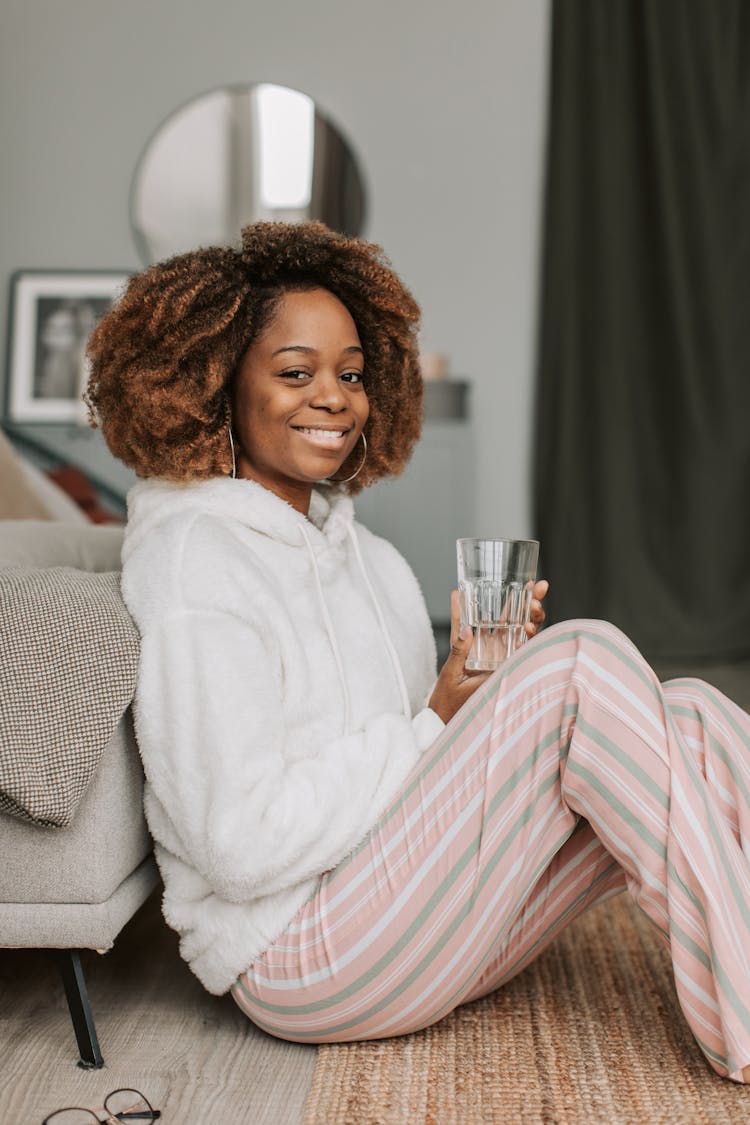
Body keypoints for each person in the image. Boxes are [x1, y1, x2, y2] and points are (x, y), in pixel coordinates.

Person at [86, 221, 750, 1084]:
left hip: (411, 921)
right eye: (295, 372)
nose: (333, 397)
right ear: (214, 387)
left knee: (687, 714)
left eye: (352, 374)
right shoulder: (195, 565)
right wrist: (442, 722)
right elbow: (238, 843)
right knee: (585, 666)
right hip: (296, 957)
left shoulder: (374, 562)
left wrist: (482, 700)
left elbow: (425, 779)